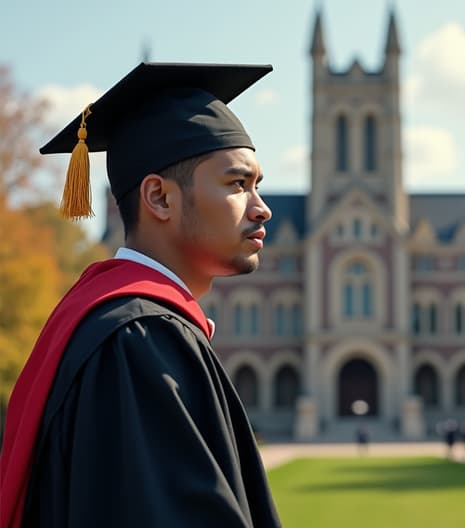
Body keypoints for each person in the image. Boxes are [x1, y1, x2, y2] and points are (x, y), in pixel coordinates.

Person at [0, 63, 281, 527]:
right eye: (237, 184)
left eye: (258, 186)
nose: (261, 208)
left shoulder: (114, 321)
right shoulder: (142, 340)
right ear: (160, 198)